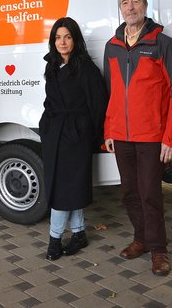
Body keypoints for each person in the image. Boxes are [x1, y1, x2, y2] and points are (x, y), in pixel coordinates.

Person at [103, 0, 172, 276]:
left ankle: (159, 250)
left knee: (150, 193)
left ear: (145, 5)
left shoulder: (162, 43)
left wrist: (171, 138)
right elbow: (110, 93)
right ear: (120, 8)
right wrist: (109, 130)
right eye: (125, 3)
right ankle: (140, 238)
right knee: (129, 192)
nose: (130, 7)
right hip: (122, 136)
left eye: (135, 1)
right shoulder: (112, 45)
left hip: (152, 136)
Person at [39, 17, 107, 261]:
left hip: (75, 135)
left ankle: (54, 239)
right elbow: (50, 101)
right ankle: (79, 234)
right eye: (58, 37)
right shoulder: (52, 65)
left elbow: (98, 105)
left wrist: (89, 132)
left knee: (63, 190)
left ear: (76, 39)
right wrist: (45, 124)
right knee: (67, 187)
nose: (62, 41)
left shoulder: (86, 69)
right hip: (54, 133)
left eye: (67, 36)